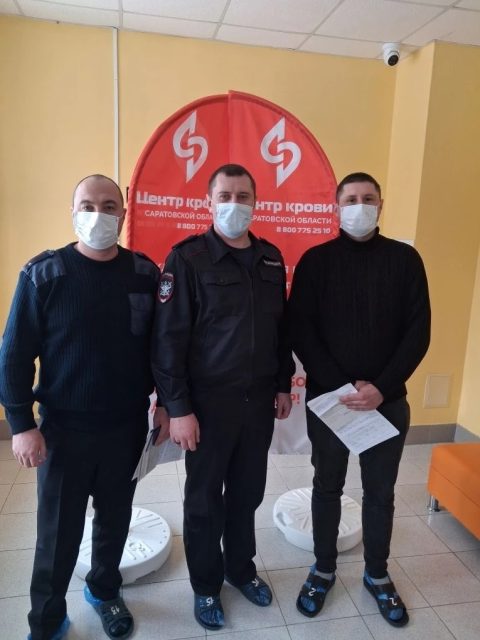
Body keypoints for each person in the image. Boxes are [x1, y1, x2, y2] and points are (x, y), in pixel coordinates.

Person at [0, 175, 167, 640]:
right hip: (63, 432)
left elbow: (163, 347)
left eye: (109, 205)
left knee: (114, 520)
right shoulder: (43, 274)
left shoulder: (144, 274)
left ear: (123, 214)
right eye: (88, 205)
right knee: (57, 534)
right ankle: (47, 620)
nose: (99, 214)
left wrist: (166, 403)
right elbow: (13, 355)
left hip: (126, 427)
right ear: (73, 212)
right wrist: (21, 424)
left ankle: (104, 590)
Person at [152, 163, 294, 630]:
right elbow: (168, 340)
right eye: (225, 196)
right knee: (203, 500)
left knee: (247, 493)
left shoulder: (270, 259)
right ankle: (206, 585)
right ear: (208, 203)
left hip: (258, 403)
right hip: (207, 407)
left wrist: (282, 383)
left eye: (243, 196)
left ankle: (240, 569)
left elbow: (281, 331)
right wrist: (178, 408)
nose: (235, 204)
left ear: (256, 202)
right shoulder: (188, 259)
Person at [288, 172, 430, 628]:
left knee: (380, 493)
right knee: (326, 486)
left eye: (368, 198)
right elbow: (300, 329)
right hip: (332, 402)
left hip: (386, 402)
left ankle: (377, 574)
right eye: (351, 199)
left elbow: (418, 332)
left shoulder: (405, 260)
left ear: (381, 205)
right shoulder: (315, 261)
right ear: (337, 205)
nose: (359, 206)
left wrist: (382, 387)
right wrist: (343, 389)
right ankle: (323, 569)